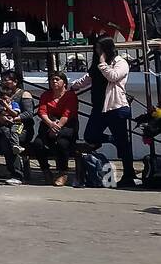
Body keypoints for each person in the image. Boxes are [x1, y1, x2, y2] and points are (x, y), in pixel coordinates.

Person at [72, 37, 136, 186]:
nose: (98, 51)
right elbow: (87, 79)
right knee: (90, 135)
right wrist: (72, 87)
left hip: (116, 107)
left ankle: (128, 174)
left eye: (101, 48)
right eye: (96, 48)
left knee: (123, 144)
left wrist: (102, 63)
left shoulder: (120, 62)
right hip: (99, 107)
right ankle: (111, 139)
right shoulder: (96, 66)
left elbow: (113, 76)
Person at [33, 70, 77, 185]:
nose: (54, 81)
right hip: (48, 124)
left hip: (66, 125)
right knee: (38, 144)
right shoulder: (46, 95)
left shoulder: (70, 96)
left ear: (64, 82)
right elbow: (42, 111)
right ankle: (46, 170)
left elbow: (68, 113)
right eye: (52, 79)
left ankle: (63, 172)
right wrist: (50, 124)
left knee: (62, 144)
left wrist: (58, 127)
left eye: (57, 79)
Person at [0, 70, 33, 184]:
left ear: (15, 81)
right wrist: (0, 118)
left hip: (21, 127)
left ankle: (17, 174)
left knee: (8, 139)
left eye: (6, 80)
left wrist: (14, 119)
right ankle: (15, 172)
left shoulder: (24, 94)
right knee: (5, 136)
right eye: (2, 80)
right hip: (3, 126)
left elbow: (28, 114)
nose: (4, 82)